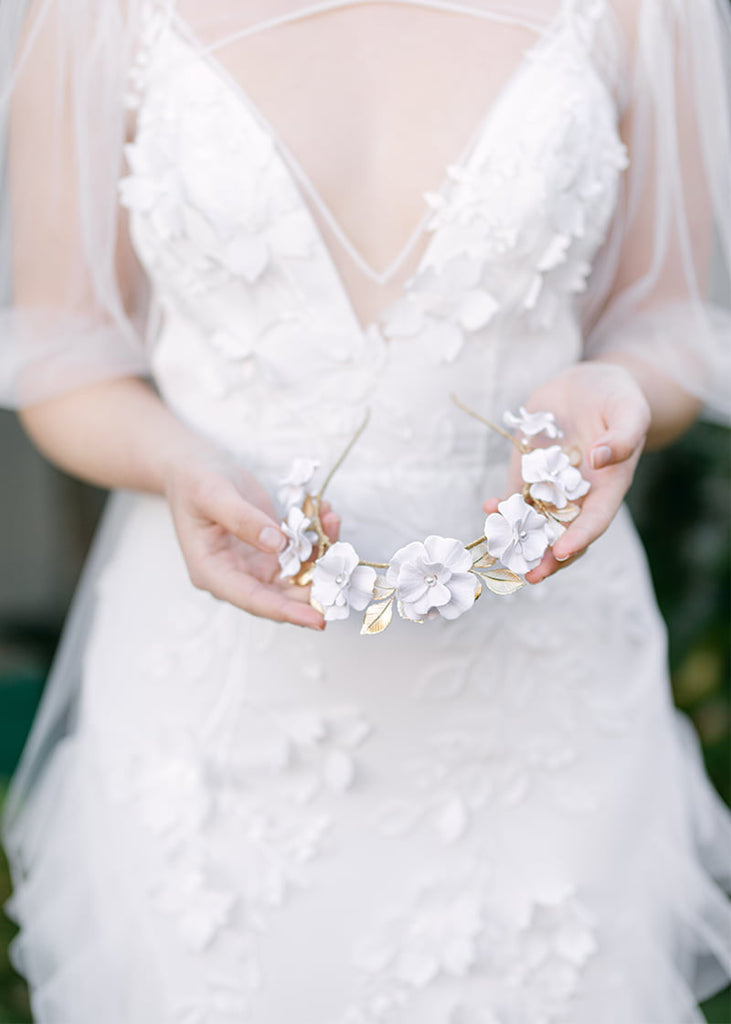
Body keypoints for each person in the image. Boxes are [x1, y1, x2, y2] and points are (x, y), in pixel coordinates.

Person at [1, 1, 730, 1021]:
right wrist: (175, 462)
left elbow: (666, 325)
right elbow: (66, 359)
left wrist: (620, 389)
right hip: (218, 704)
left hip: (536, 699)